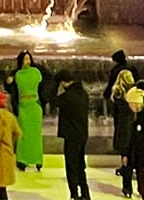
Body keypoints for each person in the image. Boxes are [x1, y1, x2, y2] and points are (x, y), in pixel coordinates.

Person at [57, 72, 91, 200]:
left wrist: (55, 83)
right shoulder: (83, 94)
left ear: (64, 82)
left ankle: (74, 194)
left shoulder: (67, 97)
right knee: (80, 166)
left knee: (71, 166)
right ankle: (85, 192)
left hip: (71, 136)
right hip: (82, 135)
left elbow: (51, 99)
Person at [12, 48, 46, 170]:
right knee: (23, 134)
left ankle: (37, 160)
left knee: (36, 135)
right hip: (23, 107)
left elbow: (44, 84)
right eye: (25, 59)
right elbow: (12, 87)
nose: (27, 61)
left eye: (29, 59)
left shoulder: (37, 72)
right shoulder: (17, 74)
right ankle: (22, 160)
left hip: (34, 107)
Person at [113, 69, 140, 196]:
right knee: (139, 159)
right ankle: (141, 186)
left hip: (124, 131)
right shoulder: (137, 93)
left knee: (126, 161)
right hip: (137, 130)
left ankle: (127, 188)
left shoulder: (117, 96)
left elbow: (117, 117)